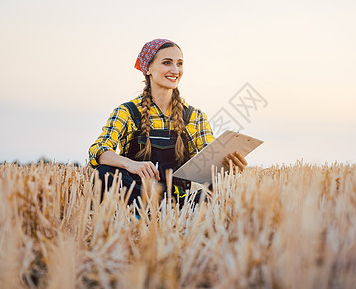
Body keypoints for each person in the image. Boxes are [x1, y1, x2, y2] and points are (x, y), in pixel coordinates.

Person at [88, 38, 248, 206]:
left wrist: (228, 169)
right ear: (148, 68)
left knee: (227, 189)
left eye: (179, 64)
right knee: (104, 173)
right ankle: (143, 218)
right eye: (167, 63)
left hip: (181, 204)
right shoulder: (127, 112)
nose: (175, 70)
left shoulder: (195, 116)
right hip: (137, 199)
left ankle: (175, 219)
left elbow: (207, 167)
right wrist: (130, 164)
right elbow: (98, 150)